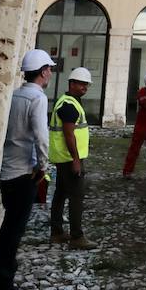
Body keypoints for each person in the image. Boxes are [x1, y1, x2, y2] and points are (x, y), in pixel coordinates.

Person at [0, 49, 53, 290]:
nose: (50, 72)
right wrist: (44, 166)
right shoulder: (37, 98)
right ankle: (2, 285)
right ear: (43, 71)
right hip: (24, 171)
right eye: (48, 68)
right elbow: (40, 135)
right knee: (12, 231)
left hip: (7, 169)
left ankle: (3, 279)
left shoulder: (14, 95)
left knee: (9, 228)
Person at [49, 66, 94, 248]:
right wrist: (76, 160)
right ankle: (77, 237)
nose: (85, 87)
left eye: (86, 84)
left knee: (60, 193)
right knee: (76, 197)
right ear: (72, 83)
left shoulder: (67, 101)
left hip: (63, 157)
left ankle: (57, 232)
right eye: (82, 84)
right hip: (69, 158)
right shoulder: (68, 105)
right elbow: (69, 134)